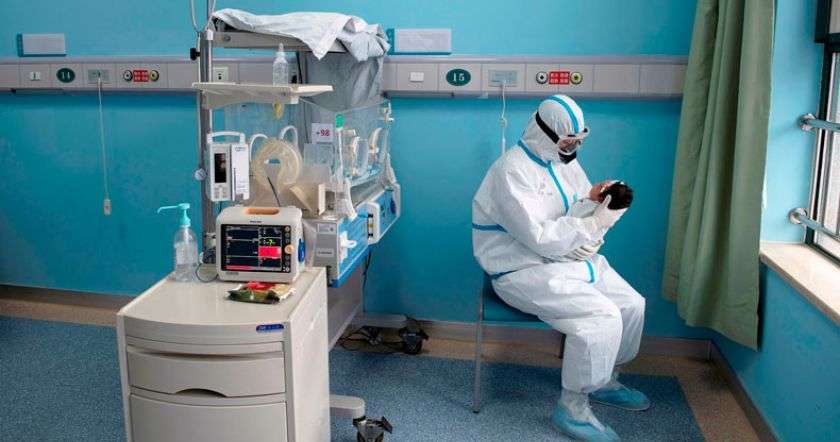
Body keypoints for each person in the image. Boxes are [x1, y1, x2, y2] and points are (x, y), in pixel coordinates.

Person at [472, 95, 648, 441]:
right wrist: (596, 222)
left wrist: (594, 201)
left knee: (632, 305)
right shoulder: (511, 171)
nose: (573, 149)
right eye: (568, 142)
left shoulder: (566, 164)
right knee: (601, 317)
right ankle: (573, 408)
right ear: (544, 133)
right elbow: (541, 238)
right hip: (522, 270)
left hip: (567, 261)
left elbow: (570, 216)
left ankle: (605, 379)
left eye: (578, 141)